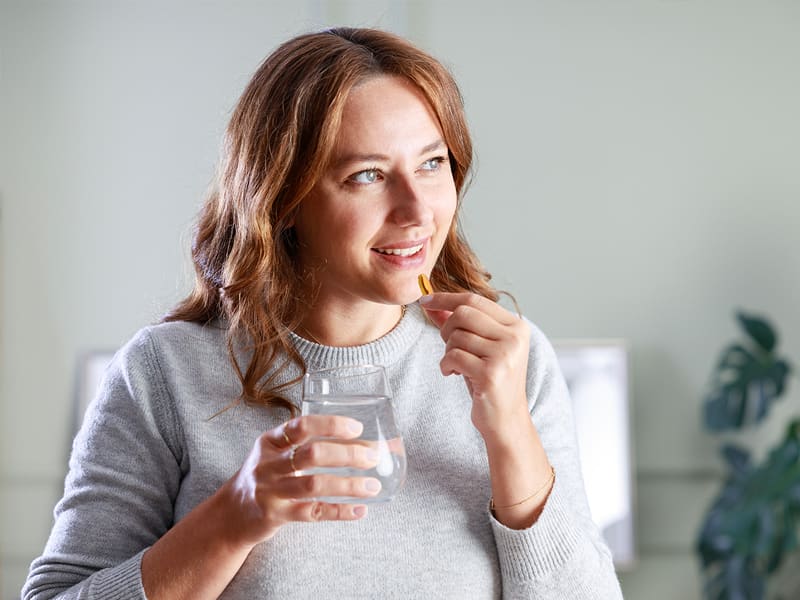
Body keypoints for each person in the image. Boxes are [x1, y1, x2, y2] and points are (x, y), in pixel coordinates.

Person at [23, 27, 622, 599]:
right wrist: (237, 515)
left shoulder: (516, 362)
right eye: (367, 176)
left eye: (432, 164)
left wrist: (512, 435)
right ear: (283, 199)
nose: (417, 211)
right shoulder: (166, 373)